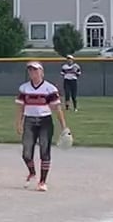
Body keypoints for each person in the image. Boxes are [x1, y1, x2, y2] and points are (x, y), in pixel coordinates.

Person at [16, 61, 73, 192]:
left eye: (35, 70)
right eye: (30, 70)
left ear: (42, 72)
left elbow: (57, 109)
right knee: (26, 153)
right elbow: (20, 107)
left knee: (44, 151)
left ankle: (42, 182)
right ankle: (32, 172)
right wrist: (19, 123)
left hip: (45, 122)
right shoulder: (24, 88)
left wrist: (64, 127)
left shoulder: (49, 88)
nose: (33, 73)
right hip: (29, 121)